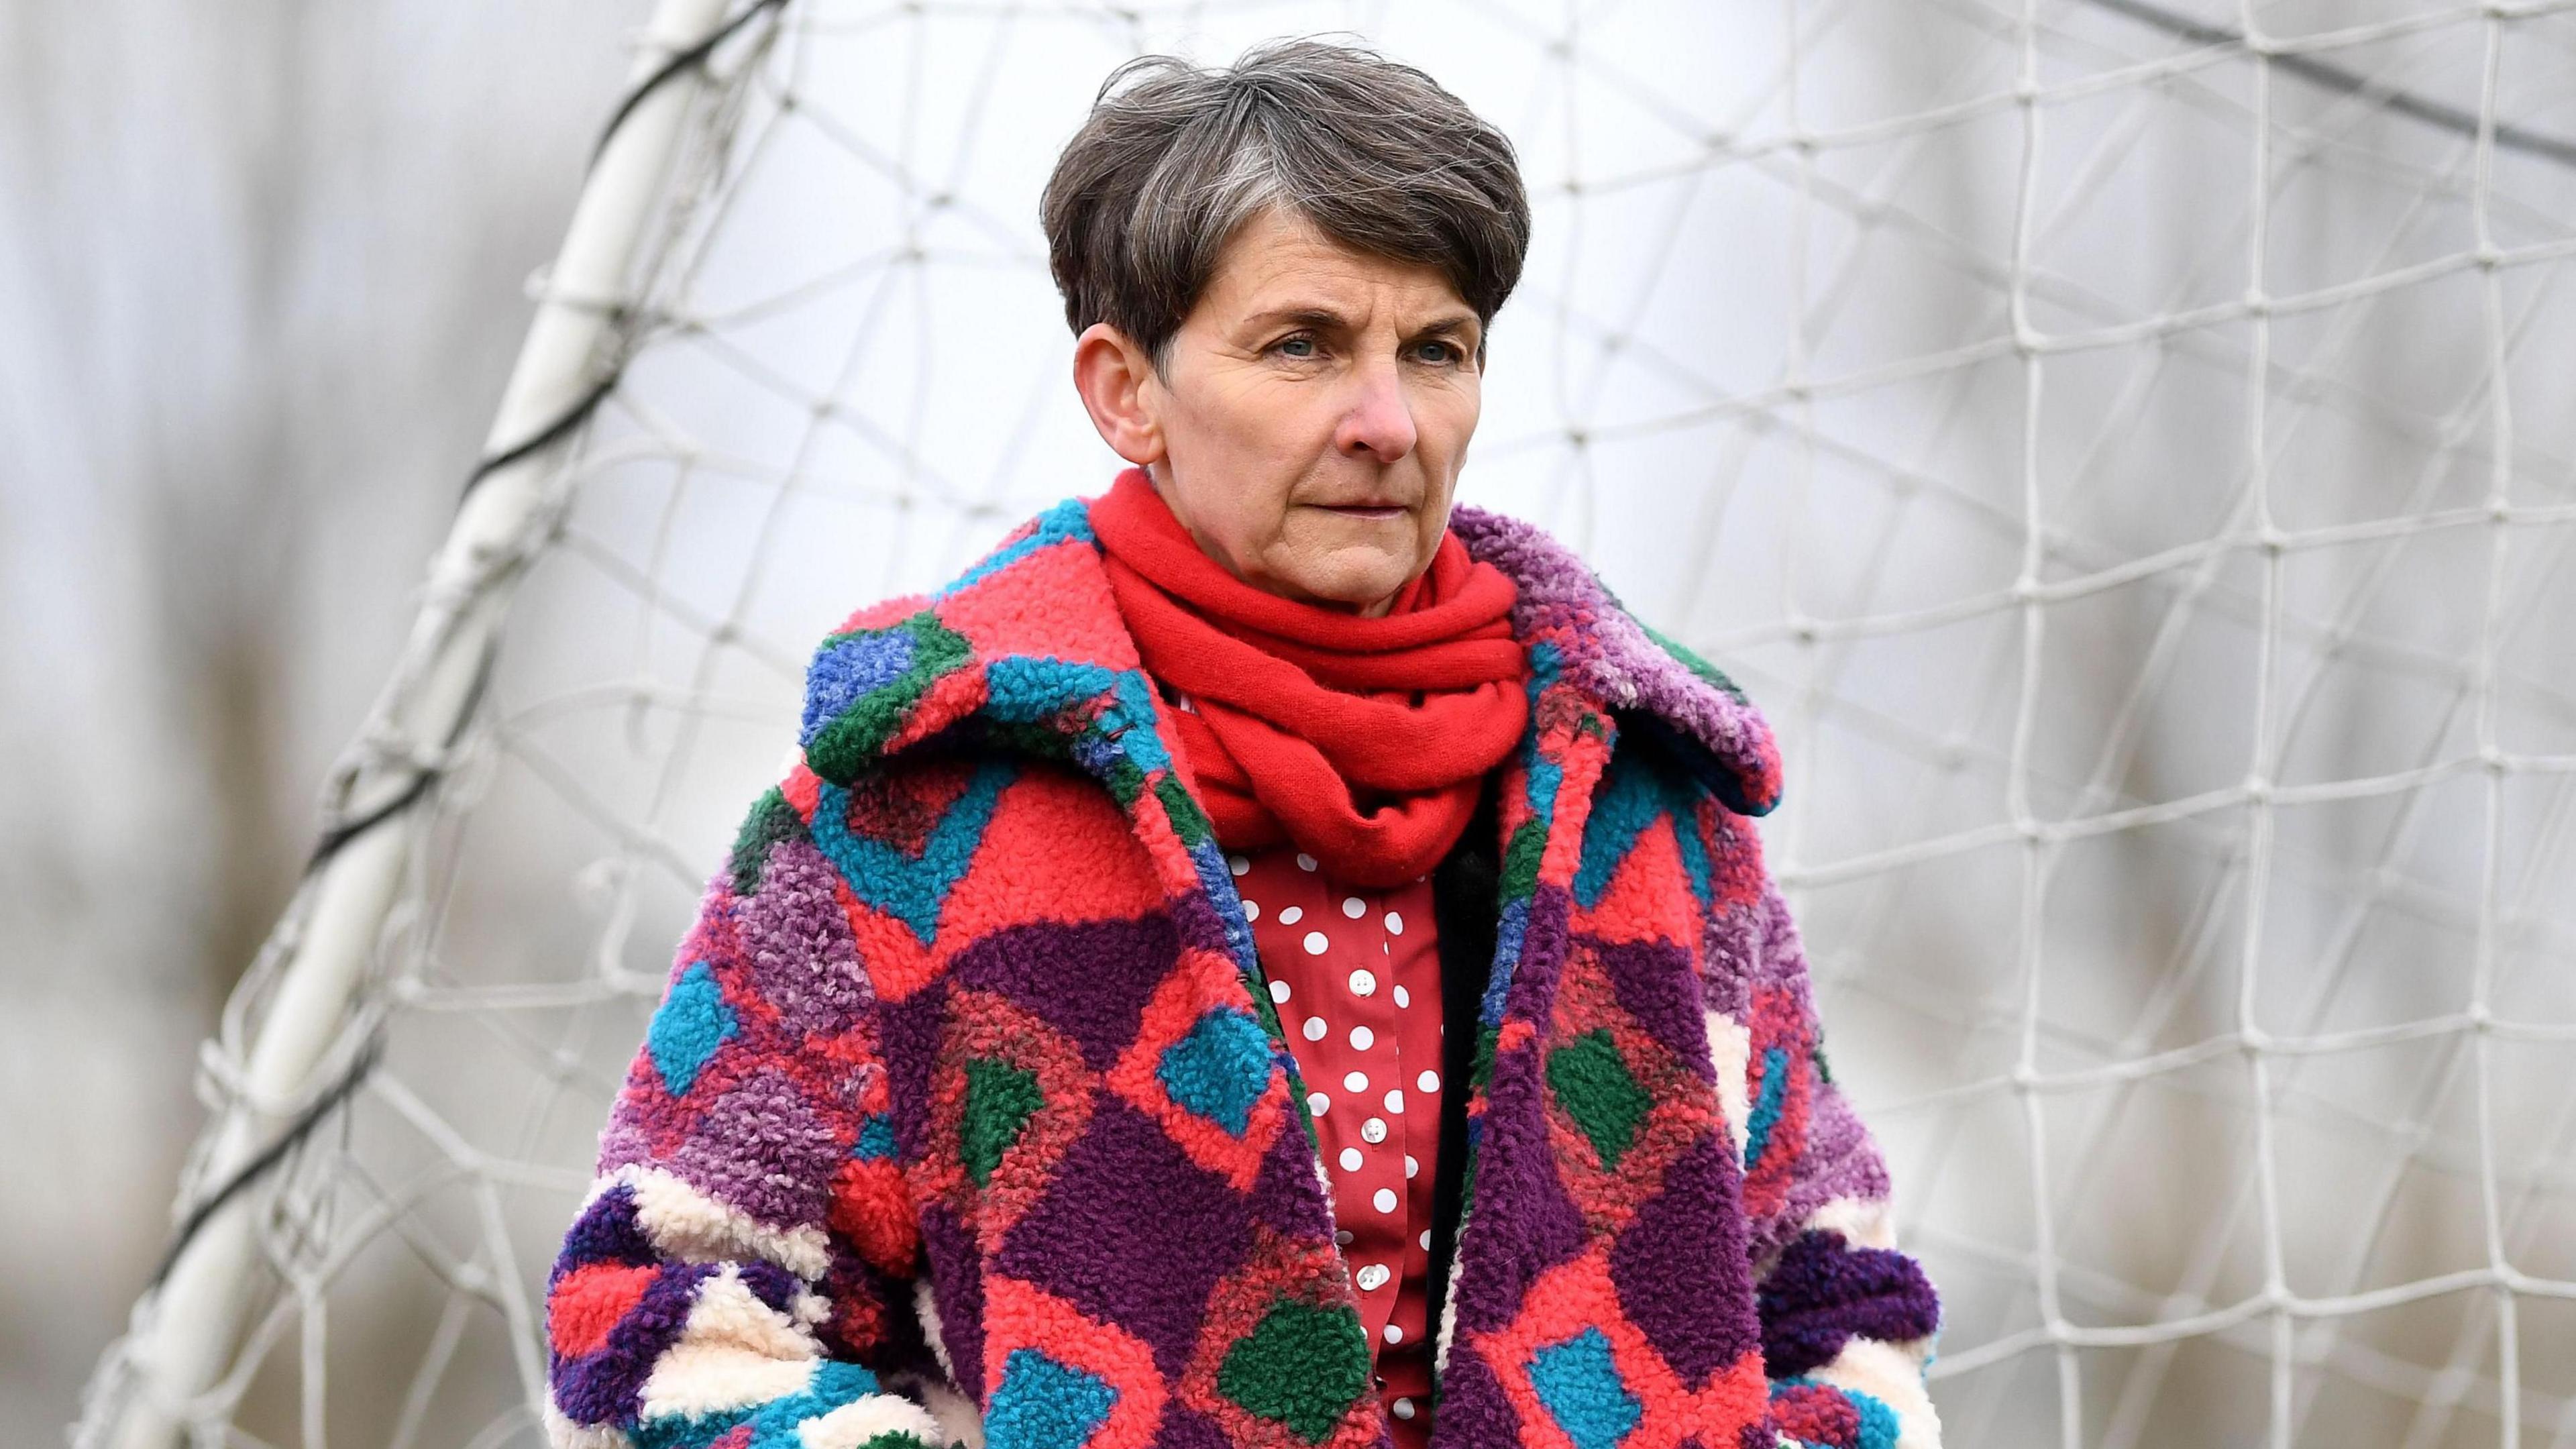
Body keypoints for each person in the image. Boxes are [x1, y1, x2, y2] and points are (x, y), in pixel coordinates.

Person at [539, 38, 1941, 1449]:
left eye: (1437, 350)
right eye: (1303, 345)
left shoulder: (1646, 807)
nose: (1388, 423)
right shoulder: (910, 813)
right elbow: (659, 1322)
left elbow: (1846, 1317)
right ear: (1123, 392)